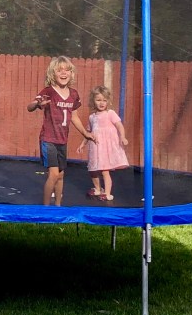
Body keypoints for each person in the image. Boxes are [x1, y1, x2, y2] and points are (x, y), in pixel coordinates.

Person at [28, 55, 96, 206]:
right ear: (53, 74)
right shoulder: (49, 92)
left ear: (71, 73)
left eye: (67, 70)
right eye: (59, 70)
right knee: (53, 174)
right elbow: (29, 106)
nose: (64, 73)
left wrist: (85, 133)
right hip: (49, 139)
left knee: (60, 174)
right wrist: (37, 104)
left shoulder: (73, 94)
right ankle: (46, 208)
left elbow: (74, 116)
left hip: (62, 140)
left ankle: (58, 206)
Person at [77, 85, 129, 201]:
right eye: (98, 100)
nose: (101, 103)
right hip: (95, 147)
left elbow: (119, 125)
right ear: (93, 101)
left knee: (105, 170)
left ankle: (107, 193)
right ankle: (97, 188)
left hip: (105, 147)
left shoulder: (110, 113)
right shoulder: (92, 117)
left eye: (104, 100)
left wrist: (123, 137)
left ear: (108, 101)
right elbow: (89, 133)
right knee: (93, 170)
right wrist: (82, 144)